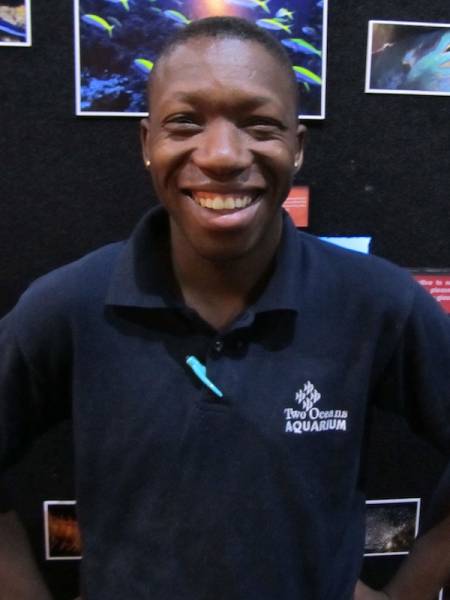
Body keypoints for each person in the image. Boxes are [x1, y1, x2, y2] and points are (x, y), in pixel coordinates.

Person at [0, 15, 449, 600]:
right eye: (185, 122)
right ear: (146, 143)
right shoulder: (68, 305)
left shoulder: (376, 301)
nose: (221, 155)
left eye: (259, 125)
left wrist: (408, 591)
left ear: (296, 148)